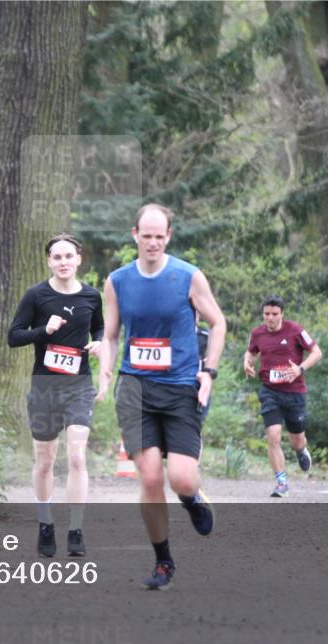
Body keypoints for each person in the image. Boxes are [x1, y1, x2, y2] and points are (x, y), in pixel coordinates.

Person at [95, 203, 227, 590]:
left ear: (168, 237)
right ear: (134, 235)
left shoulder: (188, 276)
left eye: (159, 236)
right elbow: (111, 335)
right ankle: (163, 562)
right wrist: (106, 373)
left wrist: (209, 372)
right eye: (146, 235)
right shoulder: (117, 281)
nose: (152, 242)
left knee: (181, 479)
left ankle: (192, 498)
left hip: (181, 386)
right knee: (151, 478)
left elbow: (218, 323)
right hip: (135, 389)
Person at [8, 233, 103, 558]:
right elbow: (13, 336)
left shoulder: (91, 296)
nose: (63, 262)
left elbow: (100, 327)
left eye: (68, 256)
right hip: (44, 388)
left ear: (79, 259)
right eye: (57, 257)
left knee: (76, 456)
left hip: (79, 386)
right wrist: (43, 331)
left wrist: (99, 342)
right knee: (45, 461)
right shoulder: (36, 295)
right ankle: (45, 523)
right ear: (49, 261)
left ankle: (76, 528)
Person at [243, 296, 323, 498]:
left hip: (294, 392)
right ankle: (281, 483)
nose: (270, 318)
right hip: (270, 391)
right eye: (266, 314)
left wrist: (300, 369)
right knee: (273, 434)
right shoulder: (257, 333)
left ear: (282, 314)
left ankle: (301, 450)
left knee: (297, 439)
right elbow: (251, 352)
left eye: (274, 314)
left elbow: (316, 352)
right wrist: (247, 362)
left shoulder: (295, 330)